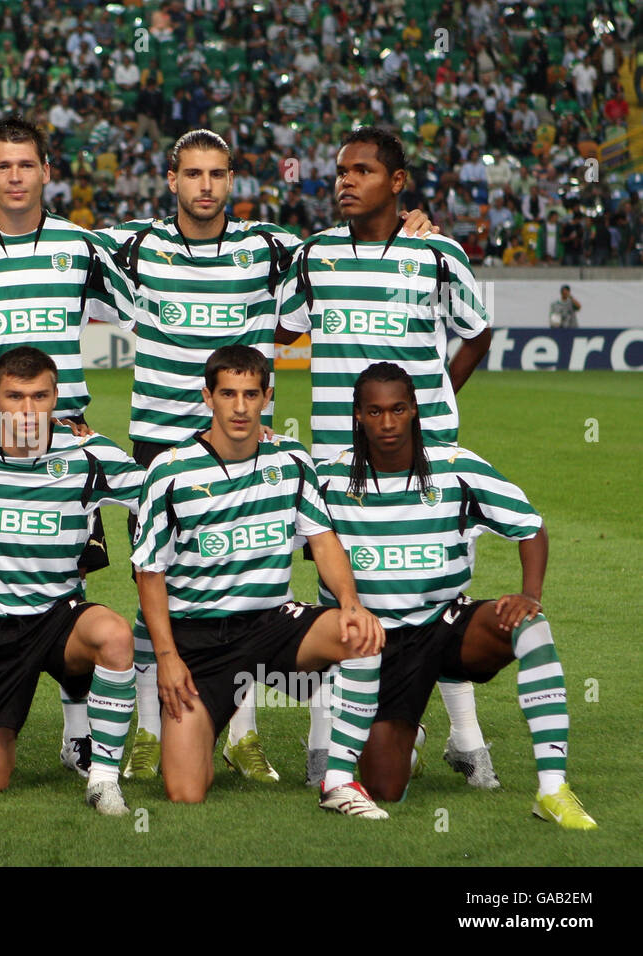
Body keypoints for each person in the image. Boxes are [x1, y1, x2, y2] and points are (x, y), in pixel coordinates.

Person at [0, 128, 433, 784]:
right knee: (151, 582)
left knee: (246, 575)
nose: (205, 186)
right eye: (192, 174)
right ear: (171, 180)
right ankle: (142, 724)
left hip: (241, 439)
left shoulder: (270, 245)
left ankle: (243, 730)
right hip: (159, 443)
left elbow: (347, 242)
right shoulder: (130, 244)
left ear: (232, 181)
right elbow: (35, 226)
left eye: (217, 174)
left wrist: (409, 220)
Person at [276, 126, 495, 786]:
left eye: (363, 171)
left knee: (435, 587)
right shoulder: (313, 256)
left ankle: (466, 737)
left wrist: (433, 409)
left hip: (424, 458)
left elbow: (477, 335)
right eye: (341, 170)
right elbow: (283, 330)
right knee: (336, 586)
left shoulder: (436, 254)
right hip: (340, 457)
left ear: (397, 183)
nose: (345, 180)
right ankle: (325, 742)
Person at [0, 115, 136, 778]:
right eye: (2, 166)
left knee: (68, 576)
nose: (15, 177)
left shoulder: (80, 246)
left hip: (62, 438)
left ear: (46, 172)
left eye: (26, 165)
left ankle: (79, 732)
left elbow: (149, 296)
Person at [317, 363, 596, 829]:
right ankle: (412, 739)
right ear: (358, 416)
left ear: (414, 412)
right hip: (374, 644)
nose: (388, 423)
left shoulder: (457, 467)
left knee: (529, 625)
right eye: (375, 411)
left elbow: (531, 527)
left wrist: (531, 593)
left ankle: (552, 790)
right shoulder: (327, 480)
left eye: (398, 409)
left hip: (445, 623)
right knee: (386, 788)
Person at [131, 346, 389, 817]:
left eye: (251, 394)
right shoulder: (169, 471)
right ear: (207, 396)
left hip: (272, 622)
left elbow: (324, 539)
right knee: (186, 791)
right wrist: (166, 657)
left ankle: (338, 780)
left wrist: (350, 601)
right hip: (200, 639)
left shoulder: (290, 459)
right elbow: (149, 573)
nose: (241, 406)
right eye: (228, 393)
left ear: (267, 396)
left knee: (360, 635)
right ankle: (210, 731)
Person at [0, 347, 146, 815]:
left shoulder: (87, 453)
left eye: (39, 396)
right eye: (15, 397)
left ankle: (103, 779)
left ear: (55, 398)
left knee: (114, 635)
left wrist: (238, 448)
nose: (27, 411)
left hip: (56, 619)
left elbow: (161, 488)